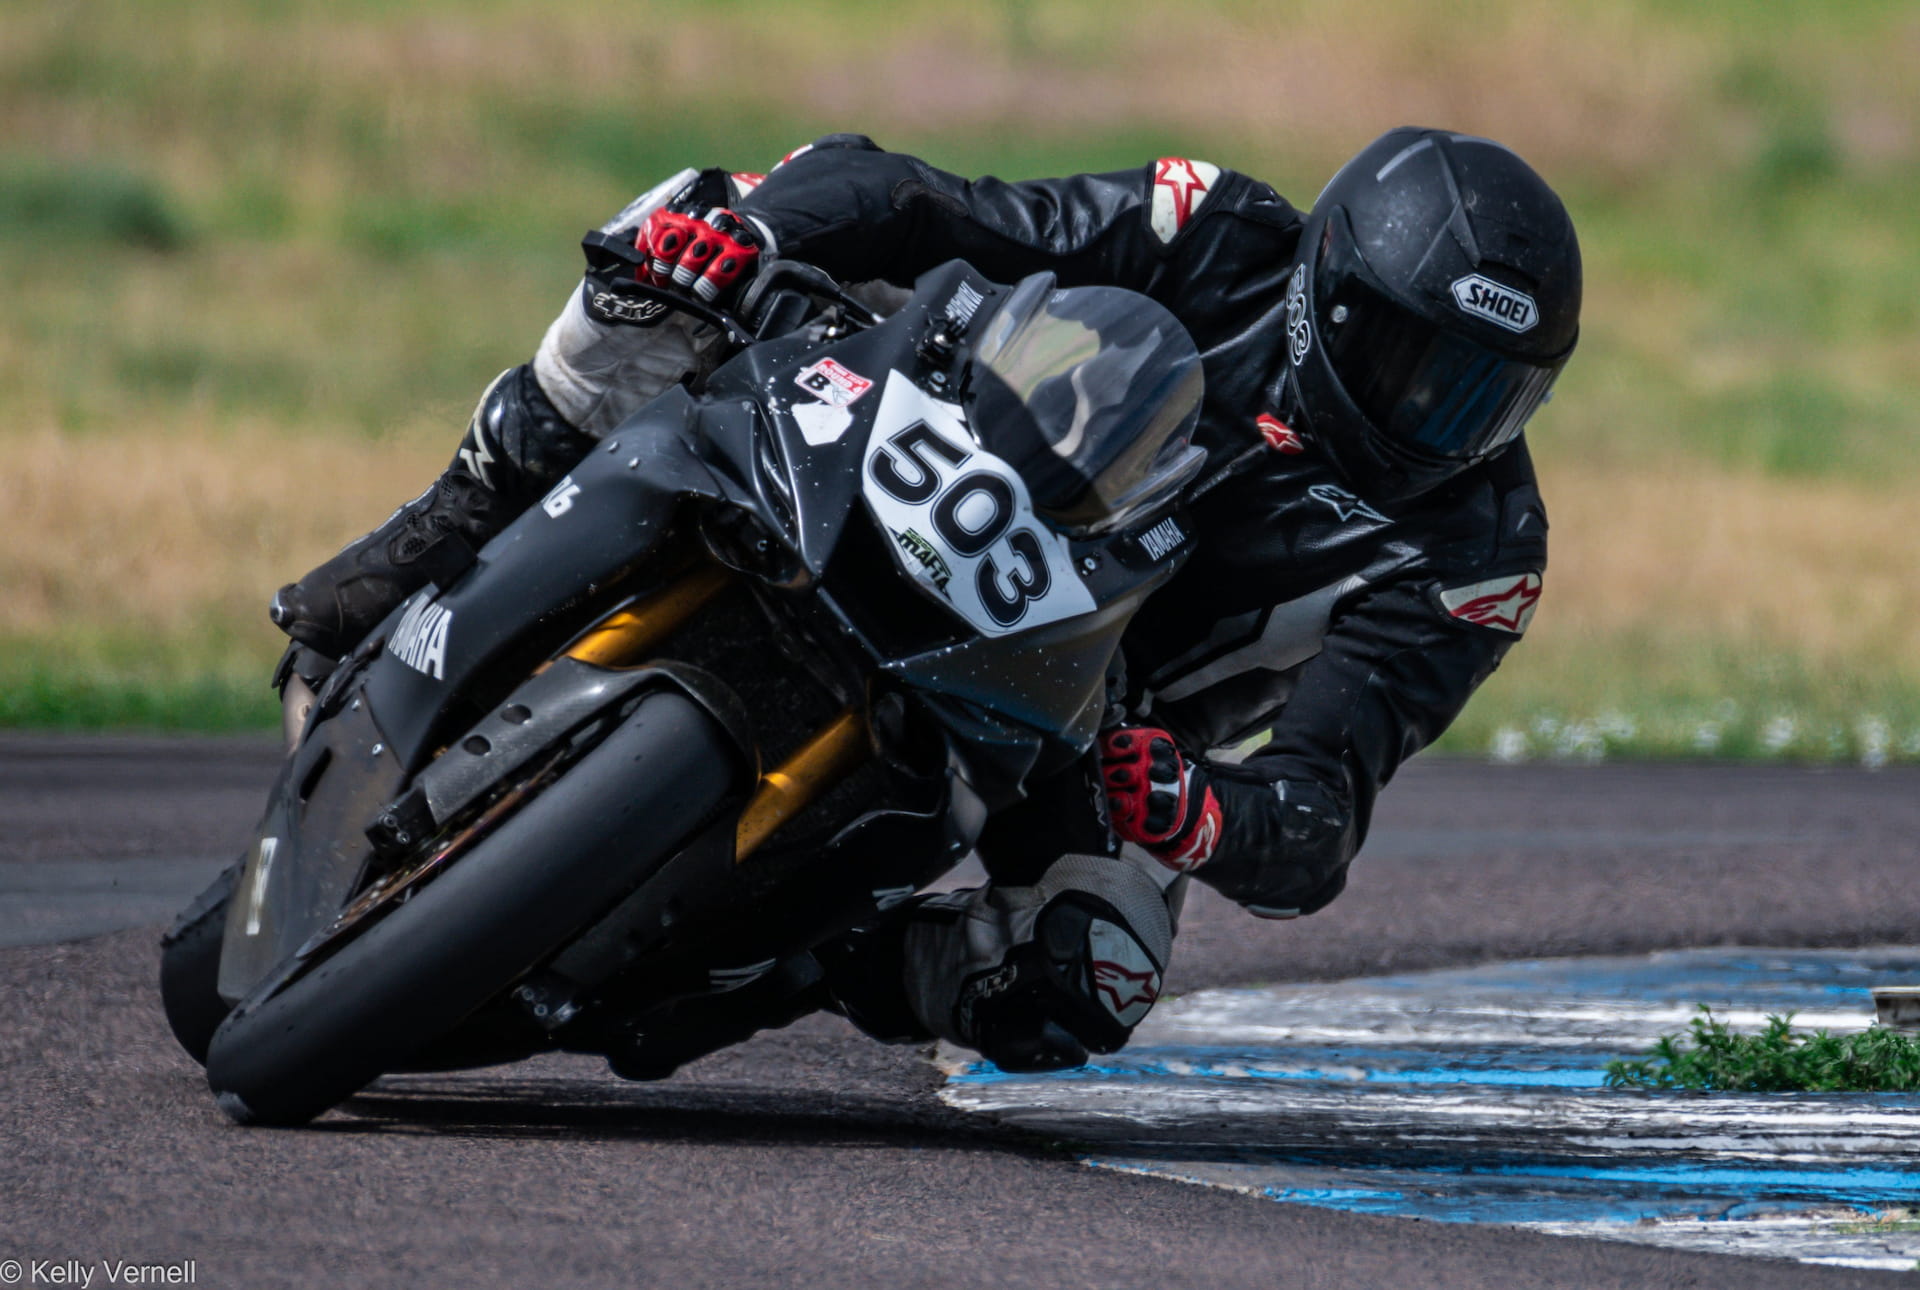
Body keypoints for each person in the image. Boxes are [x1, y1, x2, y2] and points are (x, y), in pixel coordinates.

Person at [269, 128, 1581, 1074]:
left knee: (1093, 980)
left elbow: (1318, 813)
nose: (1440, 421)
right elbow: (922, 200)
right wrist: (757, 241)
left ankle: (809, 958)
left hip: (1096, 716)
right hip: (947, 454)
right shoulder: (1218, 227)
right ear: (1330, 295)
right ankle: (454, 509)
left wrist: (1191, 802)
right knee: (692, 213)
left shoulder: (1477, 555)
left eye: (1488, 395)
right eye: (1418, 367)